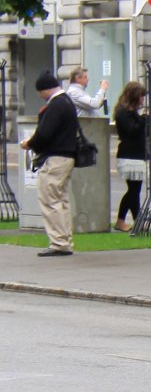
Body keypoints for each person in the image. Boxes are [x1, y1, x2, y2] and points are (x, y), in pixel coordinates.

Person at [20, 70, 79, 257]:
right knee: (62, 200)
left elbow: (44, 134)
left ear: (46, 89)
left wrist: (29, 143)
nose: (40, 95)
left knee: (49, 199)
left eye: (40, 91)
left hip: (55, 157)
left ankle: (59, 243)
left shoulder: (56, 105)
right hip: (68, 156)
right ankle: (66, 240)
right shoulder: (67, 102)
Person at [112, 81, 150, 232]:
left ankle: (137, 221)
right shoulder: (123, 112)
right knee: (133, 190)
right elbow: (131, 131)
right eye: (141, 96)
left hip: (136, 154)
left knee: (135, 190)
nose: (142, 100)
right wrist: (144, 121)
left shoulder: (132, 112)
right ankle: (121, 220)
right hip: (129, 155)